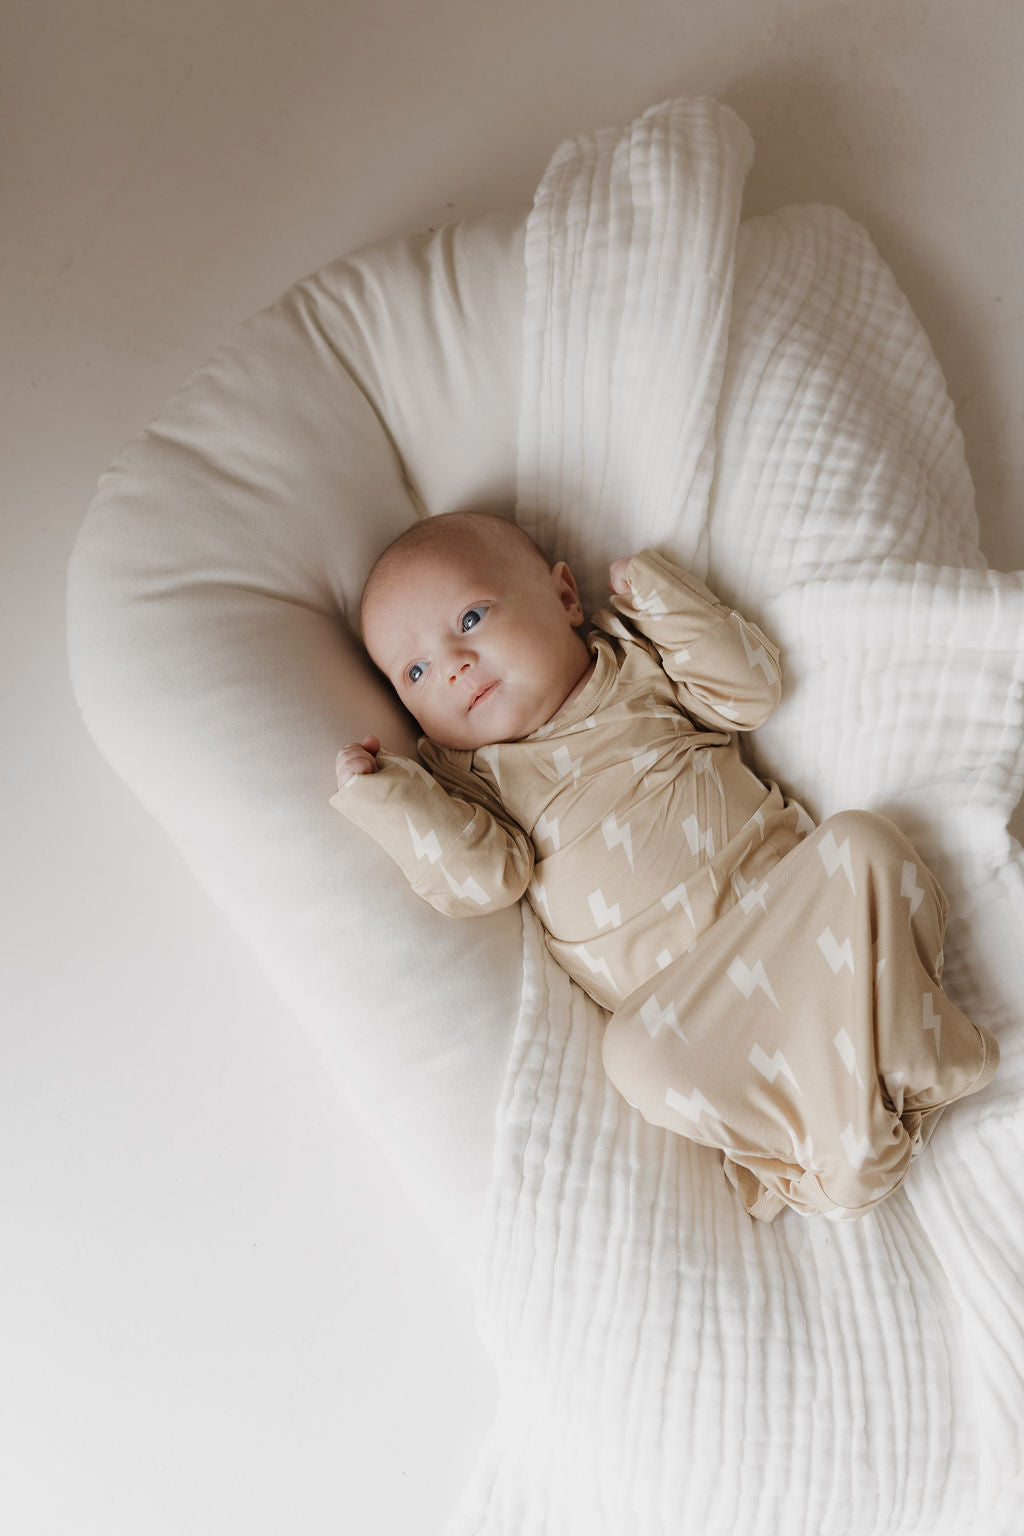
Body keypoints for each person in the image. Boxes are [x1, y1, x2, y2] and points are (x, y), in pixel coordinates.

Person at [332, 511, 999, 1221]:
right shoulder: (464, 777)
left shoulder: (630, 662)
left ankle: (894, 1073)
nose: (454, 667)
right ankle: (837, 1138)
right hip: (694, 1004)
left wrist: (662, 596)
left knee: (864, 841)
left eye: (470, 617)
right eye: (416, 671)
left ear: (564, 597)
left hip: (791, 909)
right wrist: (392, 801)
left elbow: (752, 691)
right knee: (634, 1057)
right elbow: (484, 880)